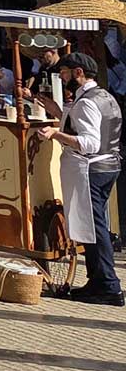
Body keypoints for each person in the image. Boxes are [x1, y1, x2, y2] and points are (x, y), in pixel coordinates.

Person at [36, 53, 123, 305]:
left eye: (64, 74)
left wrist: (54, 133)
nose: (62, 79)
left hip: (91, 169)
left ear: (77, 73)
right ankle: (98, 281)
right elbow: (84, 123)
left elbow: (89, 143)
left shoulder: (86, 102)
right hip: (108, 167)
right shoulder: (104, 96)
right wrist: (56, 111)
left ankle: (108, 285)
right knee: (95, 227)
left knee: (94, 229)